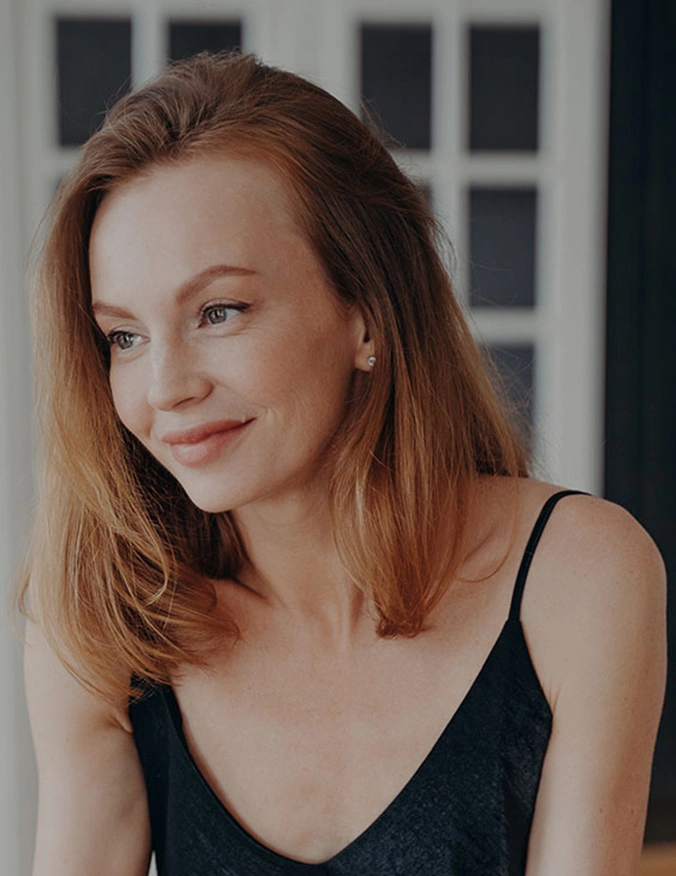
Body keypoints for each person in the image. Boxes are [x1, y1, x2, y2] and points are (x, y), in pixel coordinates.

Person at [20, 51, 666, 876]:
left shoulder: (578, 578)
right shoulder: (101, 612)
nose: (166, 388)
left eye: (219, 311)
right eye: (124, 336)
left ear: (367, 312)